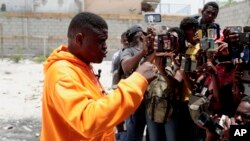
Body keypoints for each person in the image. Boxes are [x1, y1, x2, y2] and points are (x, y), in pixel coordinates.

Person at [40, 12, 157, 141]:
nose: (105, 47)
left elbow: (99, 105)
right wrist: (138, 80)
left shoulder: (82, 67)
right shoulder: (62, 73)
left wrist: (148, 58)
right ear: (79, 39)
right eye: (100, 41)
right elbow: (87, 120)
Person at [120, 25, 152, 141]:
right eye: (143, 35)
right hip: (137, 101)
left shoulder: (151, 49)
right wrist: (143, 52)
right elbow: (126, 67)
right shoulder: (129, 51)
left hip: (152, 101)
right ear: (139, 36)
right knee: (134, 134)